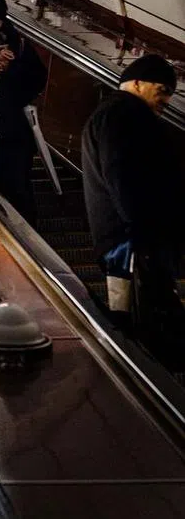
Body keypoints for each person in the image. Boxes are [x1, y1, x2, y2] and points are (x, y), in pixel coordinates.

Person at [81, 54, 185, 365]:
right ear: (138, 83)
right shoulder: (125, 113)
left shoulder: (112, 113)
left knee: (134, 311)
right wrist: (141, 231)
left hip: (123, 239)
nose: (166, 98)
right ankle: (151, 380)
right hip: (131, 240)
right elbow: (122, 175)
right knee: (145, 316)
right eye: (162, 89)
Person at [0, 0, 46, 225]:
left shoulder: (20, 45)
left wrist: (10, 71)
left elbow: (37, 79)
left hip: (15, 134)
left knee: (20, 190)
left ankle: (30, 244)